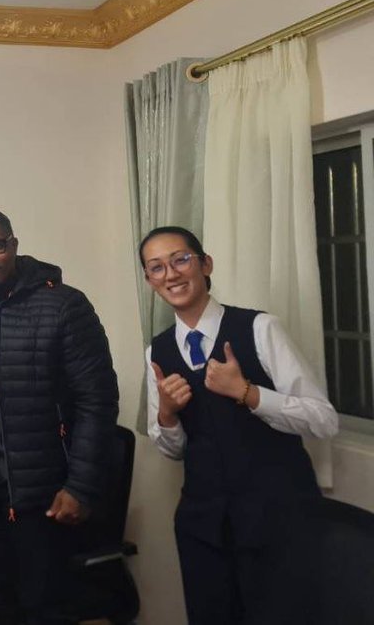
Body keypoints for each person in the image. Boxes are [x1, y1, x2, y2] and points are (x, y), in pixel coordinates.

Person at [0, 207, 119, 625]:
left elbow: (97, 400)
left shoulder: (63, 305)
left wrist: (81, 486)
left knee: (42, 604)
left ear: (13, 245)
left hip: (40, 486)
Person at [141, 225, 338, 625]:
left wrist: (248, 393)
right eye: (157, 267)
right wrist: (167, 415)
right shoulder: (156, 351)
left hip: (277, 518)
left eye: (181, 260)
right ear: (149, 281)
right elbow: (173, 450)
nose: (171, 274)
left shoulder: (260, 328)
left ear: (205, 264)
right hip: (203, 526)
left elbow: (323, 419)